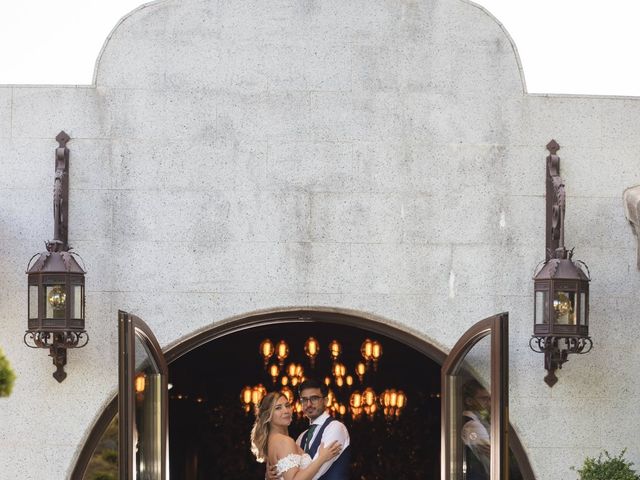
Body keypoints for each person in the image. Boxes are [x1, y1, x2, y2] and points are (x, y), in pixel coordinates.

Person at [267, 378, 351, 480]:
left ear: (325, 401)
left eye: (314, 398)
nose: (309, 404)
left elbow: (315, 475)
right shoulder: (301, 437)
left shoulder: (336, 428)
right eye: (304, 400)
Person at [251, 391, 342, 480]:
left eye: (287, 406)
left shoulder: (271, 441)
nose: (286, 411)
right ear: (268, 415)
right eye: (278, 408)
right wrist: (322, 458)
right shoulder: (283, 441)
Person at [461, 379, 491, 480]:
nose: (489, 403)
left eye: (490, 399)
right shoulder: (474, 427)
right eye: (484, 399)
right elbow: (490, 465)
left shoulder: (481, 422)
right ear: (469, 401)